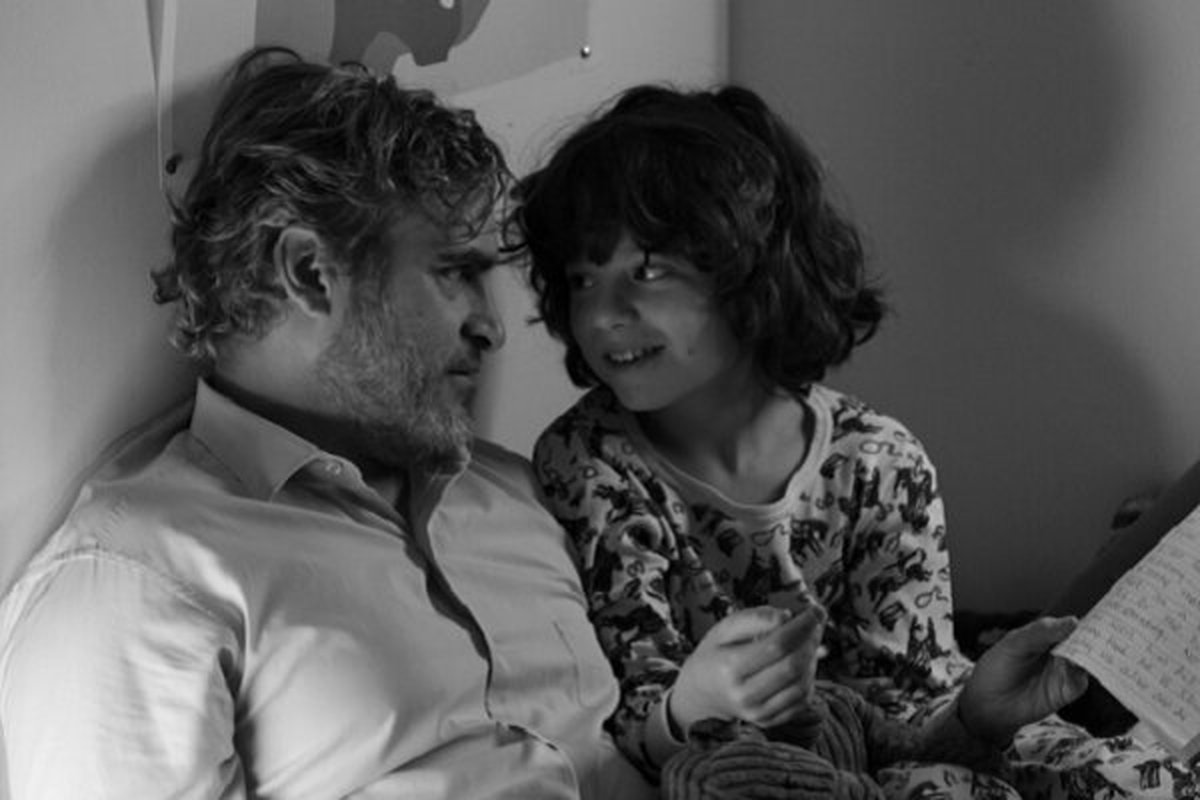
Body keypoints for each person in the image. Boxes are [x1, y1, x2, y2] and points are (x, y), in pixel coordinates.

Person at [0, 48, 656, 799]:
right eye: (453, 272)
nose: (492, 327)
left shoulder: (511, 491)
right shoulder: (137, 583)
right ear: (309, 272)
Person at [506, 83, 1090, 797]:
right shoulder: (589, 463)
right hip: (733, 774)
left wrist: (979, 716)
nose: (603, 315)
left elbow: (911, 711)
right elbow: (621, 716)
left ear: (752, 270)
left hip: (891, 755)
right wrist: (691, 708)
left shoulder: (878, 460)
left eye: (649, 271)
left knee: (1090, 766)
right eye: (582, 279)